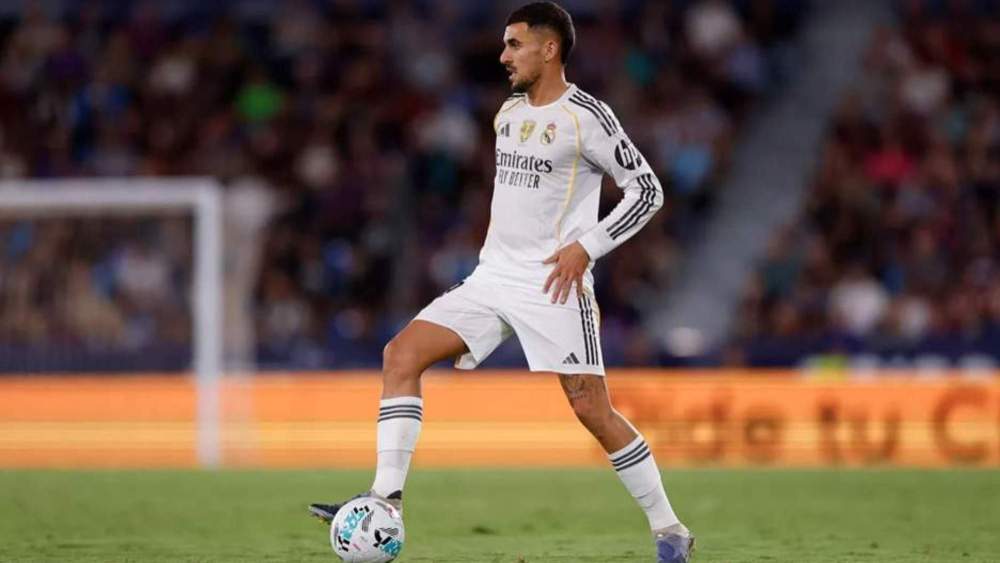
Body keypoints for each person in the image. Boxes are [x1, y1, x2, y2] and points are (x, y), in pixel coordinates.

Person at [310, 2, 694, 561]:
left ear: (549, 48)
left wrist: (586, 247)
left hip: (553, 286)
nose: (503, 55)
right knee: (401, 355)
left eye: (514, 44)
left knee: (591, 409)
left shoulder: (587, 115)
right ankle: (384, 499)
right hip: (492, 277)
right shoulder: (509, 111)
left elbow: (648, 190)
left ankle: (670, 529)